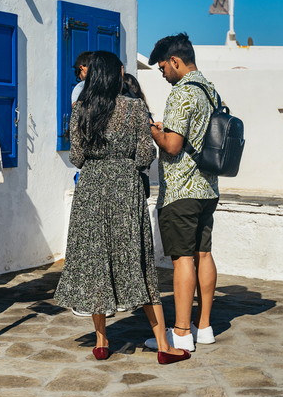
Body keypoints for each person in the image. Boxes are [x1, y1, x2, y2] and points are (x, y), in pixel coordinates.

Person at [54, 51, 190, 365]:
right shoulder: (136, 108)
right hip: (126, 189)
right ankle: (162, 346)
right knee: (138, 264)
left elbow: (76, 157)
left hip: (90, 189)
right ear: (115, 75)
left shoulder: (81, 110)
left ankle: (102, 341)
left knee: (96, 262)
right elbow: (145, 156)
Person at [145, 33, 219, 352]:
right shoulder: (210, 90)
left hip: (181, 190)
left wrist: (151, 129)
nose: (163, 74)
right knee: (203, 254)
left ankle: (181, 333)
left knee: (182, 260)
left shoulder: (181, 93)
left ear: (175, 61)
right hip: (207, 188)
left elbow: (173, 146)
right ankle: (203, 327)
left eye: (163, 67)